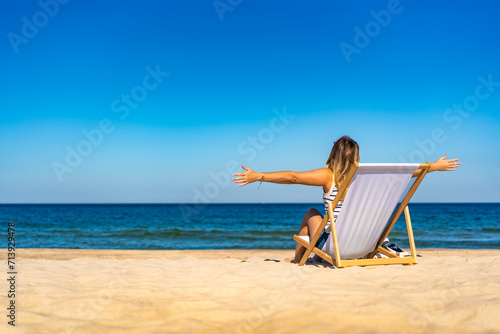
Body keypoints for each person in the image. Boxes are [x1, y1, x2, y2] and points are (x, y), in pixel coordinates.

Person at [232, 135, 461, 263]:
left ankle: (297, 259)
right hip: (366, 245)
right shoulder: (368, 177)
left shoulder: (327, 175)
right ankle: (299, 258)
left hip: (337, 249)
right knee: (320, 217)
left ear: (334, 154)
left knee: (312, 213)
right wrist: (433, 166)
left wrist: (258, 176)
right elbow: (409, 172)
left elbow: (292, 177)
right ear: (356, 156)